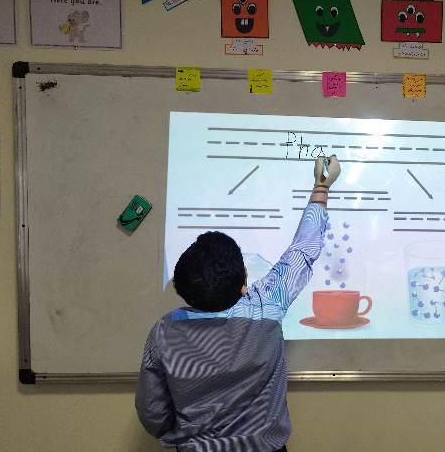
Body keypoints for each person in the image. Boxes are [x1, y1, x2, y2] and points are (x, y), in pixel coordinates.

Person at [135, 156, 341, 452]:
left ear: (183, 289)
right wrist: (321, 187)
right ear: (244, 285)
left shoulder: (164, 332)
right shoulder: (265, 307)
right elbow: (303, 249)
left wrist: (183, 434)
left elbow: (152, 412)